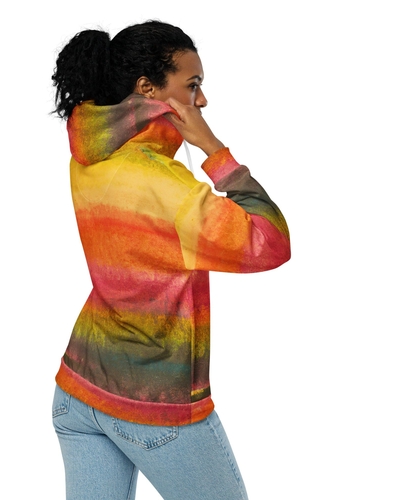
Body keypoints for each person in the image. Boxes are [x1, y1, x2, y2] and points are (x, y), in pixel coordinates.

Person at [51, 20, 290, 500]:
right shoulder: (167, 188)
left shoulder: (88, 158)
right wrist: (214, 150)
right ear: (148, 89)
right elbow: (270, 241)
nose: (203, 100)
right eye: (192, 85)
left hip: (78, 389)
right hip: (153, 406)